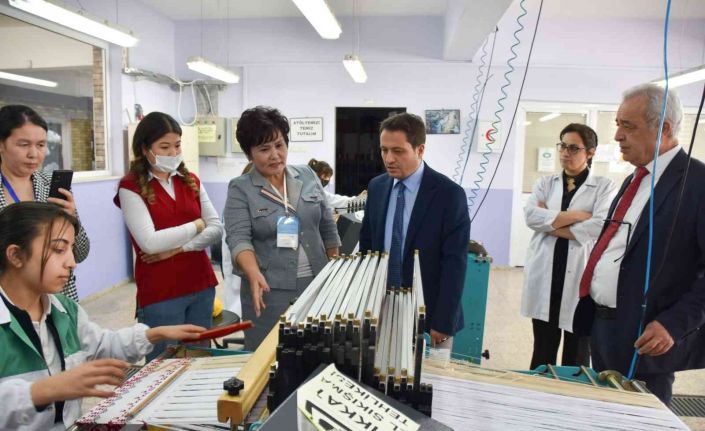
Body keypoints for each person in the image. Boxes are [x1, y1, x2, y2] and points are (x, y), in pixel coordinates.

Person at [0, 202, 205, 430]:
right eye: (59, 250)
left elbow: (102, 345)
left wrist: (153, 334)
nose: (72, 263)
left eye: (71, 249)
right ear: (16, 255)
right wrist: (42, 390)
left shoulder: (65, 310)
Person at [575, 84, 705, 405]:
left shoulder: (697, 184)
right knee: (606, 415)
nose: (617, 136)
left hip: (648, 336)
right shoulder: (635, 179)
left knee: (641, 420)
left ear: (664, 128)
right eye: (617, 124)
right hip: (604, 326)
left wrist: (674, 325)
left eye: (628, 126)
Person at [223, 106, 341, 350]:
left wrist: (335, 270)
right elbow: (238, 238)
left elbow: (327, 225)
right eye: (264, 149)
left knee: (316, 351)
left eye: (279, 145)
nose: (275, 155)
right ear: (249, 154)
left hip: (317, 283)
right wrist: (253, 273)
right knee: (270, 355)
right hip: (269, 289)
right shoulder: (241, 188)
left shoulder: (307, 175)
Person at [114, 112, 222, 360]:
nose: (173, 153)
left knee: (199, 357)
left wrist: (178, 249)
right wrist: (197, 225)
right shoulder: (130, 187)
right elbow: (150, 243)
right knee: (163, 362)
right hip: (161, 291)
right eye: (164, 147)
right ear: (145, 149)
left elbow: (216, 228)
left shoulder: (190, 180)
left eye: (177, 145)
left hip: (201, 283)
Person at [359, 112, 470, 347]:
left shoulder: (449, 195)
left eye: (398, 151)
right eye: (384, 150)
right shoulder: (377, 188)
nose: (389, 158)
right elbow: (367, 248)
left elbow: (455, 263)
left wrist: (443, 321)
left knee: (430, 371)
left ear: (420, 150)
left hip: (429, 313)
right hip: (381, 307)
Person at [522, 123, 616, 369]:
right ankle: (540, 387)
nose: (565, 152)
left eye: (574, 148)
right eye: (562, 146)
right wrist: (578, 216)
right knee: (542, 347)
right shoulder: (545, 183)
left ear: (591, 152)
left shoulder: (604, 186)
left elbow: (599, 226)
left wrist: (550, 224)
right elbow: (531, 217)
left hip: (580, 276)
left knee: (577, 352)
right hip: (547, 274)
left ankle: (572, 391)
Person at [0, 105, 90, 302]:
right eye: (24, 144)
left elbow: (81, 253)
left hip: (57, 297)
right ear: (2, 145)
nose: (34, 154)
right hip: (8, 299)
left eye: (41, 145)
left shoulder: (51, 185)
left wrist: (73, 219)